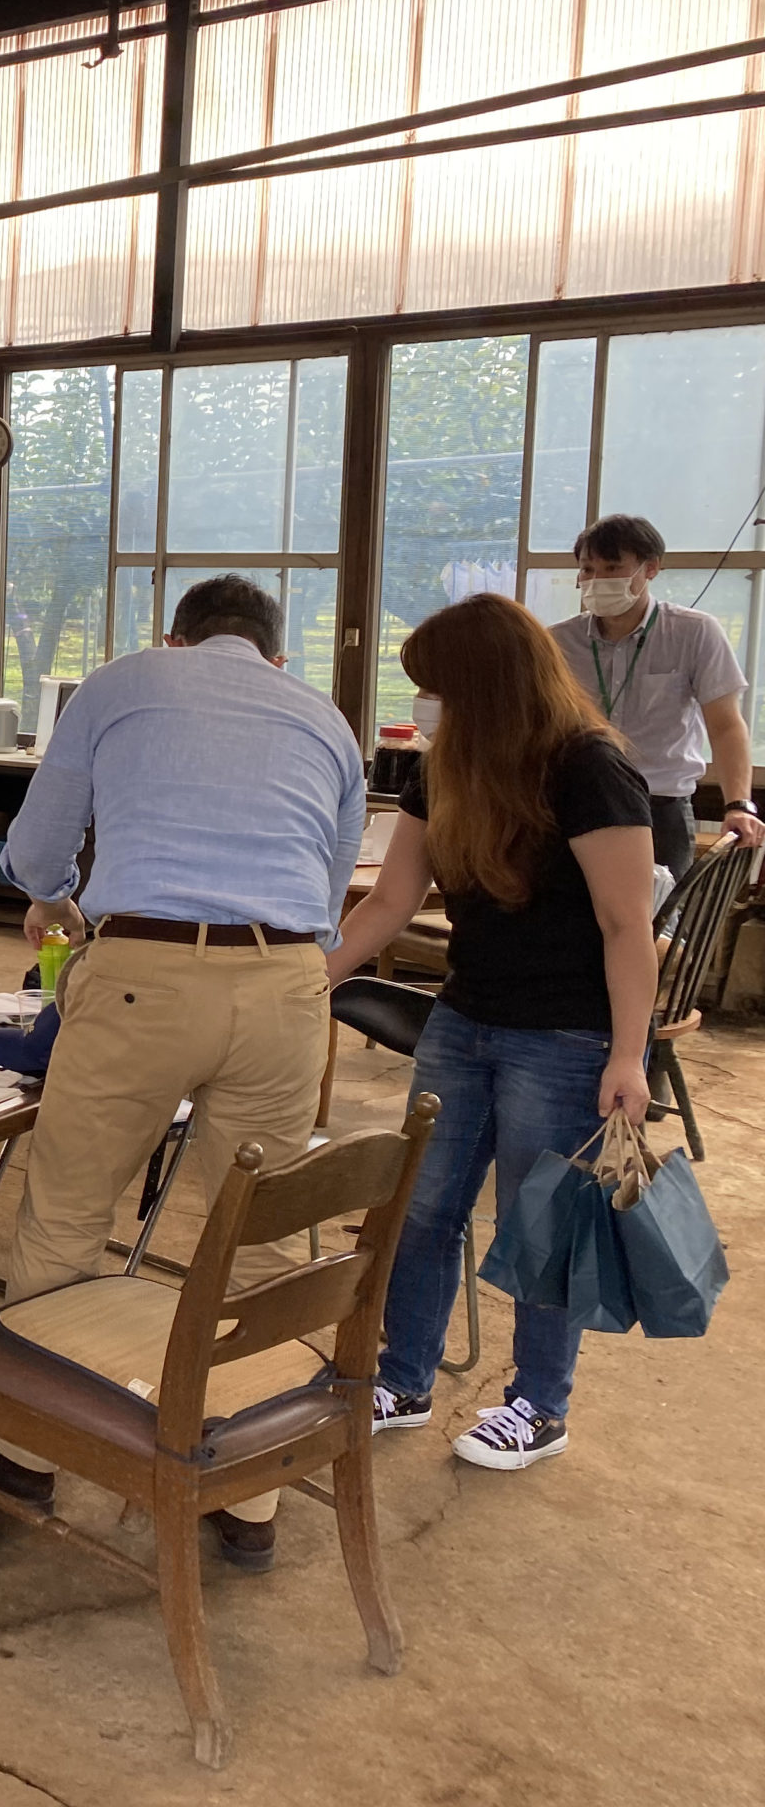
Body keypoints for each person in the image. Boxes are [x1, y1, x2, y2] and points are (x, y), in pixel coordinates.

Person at [0, 575, 365, 1571]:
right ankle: (248, 1499)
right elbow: (329, 889)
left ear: (177, 637)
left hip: (142, 976)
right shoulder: (327, 721)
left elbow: (37, 845)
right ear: (275, 654)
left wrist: (51, 895)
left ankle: (26, 1454)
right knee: (255, 1237)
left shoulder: (119, 682)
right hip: (288, 986)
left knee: (68, 1212)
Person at [330, 593, 656, 1472]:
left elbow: (627, 924)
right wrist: (307, 977)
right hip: (464, 1020)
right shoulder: (444, 767)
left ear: (488, 686)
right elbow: (391, 901)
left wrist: (629, 1054)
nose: (426, 707)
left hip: (564, 1036)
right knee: (421, 1209)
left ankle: (539, 1405)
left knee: (537, 1222)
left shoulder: (589, 769)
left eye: (438, 688)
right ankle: (402, 1379)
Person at [550, 512, 763, 881]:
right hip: (576, 801)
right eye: (588, 569)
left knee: (658, 912)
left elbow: (726, 726)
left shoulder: (694, 632)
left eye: (612, 568)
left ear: (650, 568)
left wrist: (738, 804)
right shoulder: (557, 641)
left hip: (660, 807)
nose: (597, 580)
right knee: (570, 910)